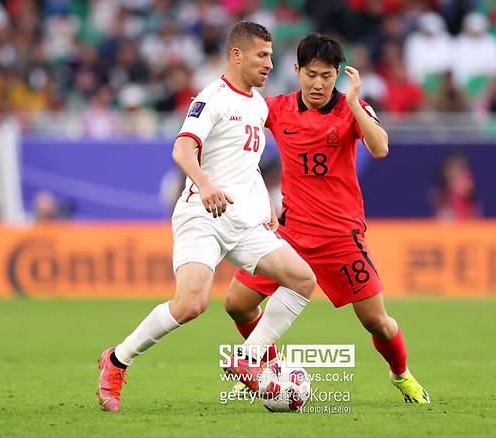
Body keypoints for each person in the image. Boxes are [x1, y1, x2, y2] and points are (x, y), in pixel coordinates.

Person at [96, 21, 317, 412]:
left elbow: (244, 160)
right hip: (203, 215)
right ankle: (116, 361)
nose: (270, 64)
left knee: (302, 278)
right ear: (237, 55)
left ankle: (250, 359)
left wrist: (266, 200)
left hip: (244, 222)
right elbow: (182, 150)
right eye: (262, 55)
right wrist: (206, 185)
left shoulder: (257, 104)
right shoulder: (211, 98)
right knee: (190, 305)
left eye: (270, 55)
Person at [224, 33, 430, 404]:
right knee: (237, 303)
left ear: (339, 75)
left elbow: (381, 148)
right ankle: (264, 368)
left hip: (341, 238)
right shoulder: (276, 108)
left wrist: (352, 103)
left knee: (376, 323)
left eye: (327, 76)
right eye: (311, 74)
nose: (319, 84)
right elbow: (238, 110)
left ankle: (401, 375)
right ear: (296, 70)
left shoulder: (353, 108)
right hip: (290, 235)